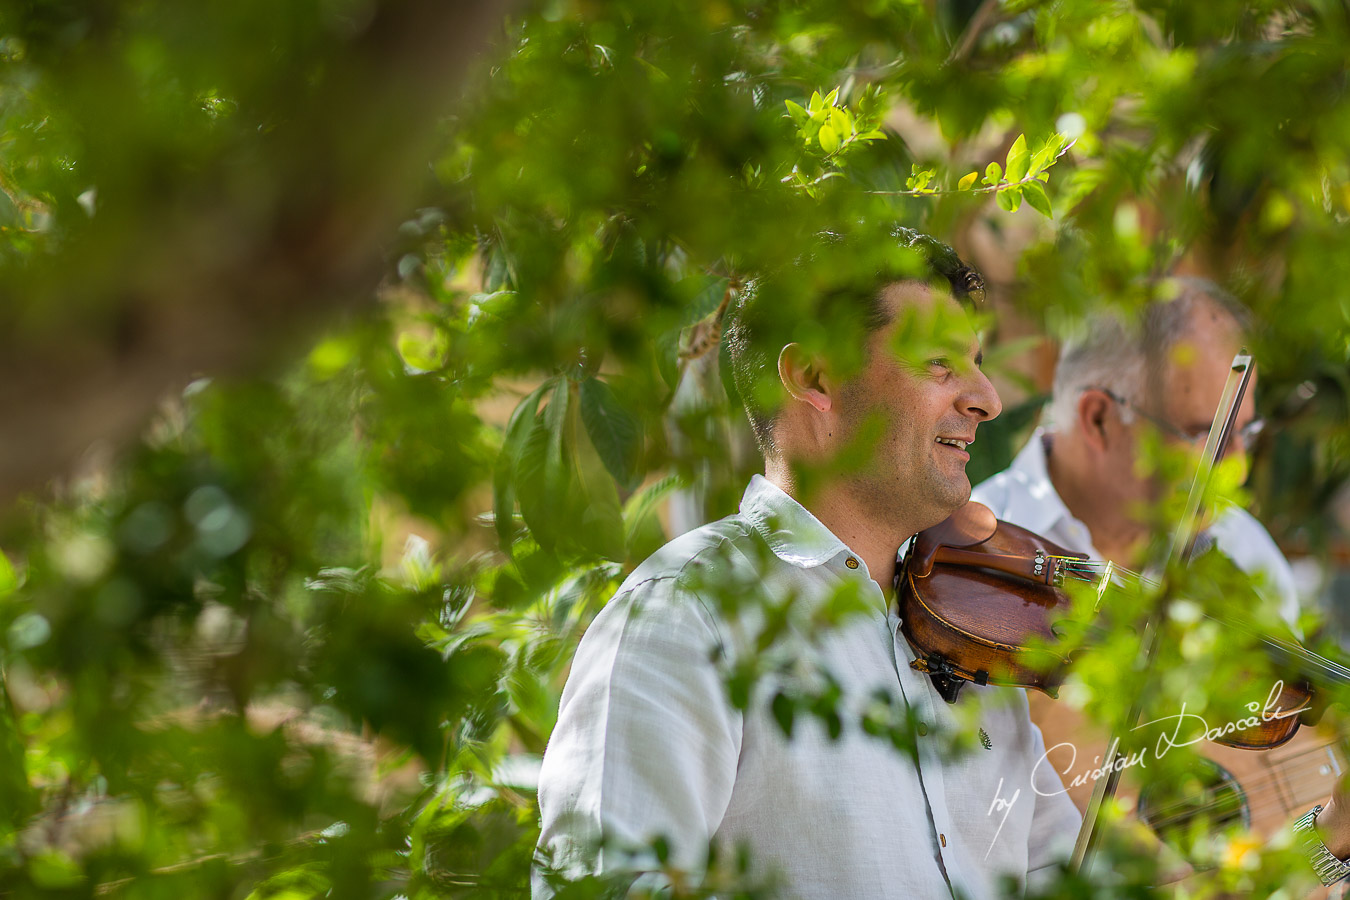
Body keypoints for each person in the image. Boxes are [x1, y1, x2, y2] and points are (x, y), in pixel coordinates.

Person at [533, 229, 1082, 899]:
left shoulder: (972, 635)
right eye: (940, 362)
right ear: (816, 379)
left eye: (976, 363)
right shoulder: (687, 614)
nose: (988, 398)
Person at [970, 280, 1300, 634]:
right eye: (1208, 435)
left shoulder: (1245, 550)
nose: (1238, 470)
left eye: (1245, 433)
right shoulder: (974, 551)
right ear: (1098, 419)